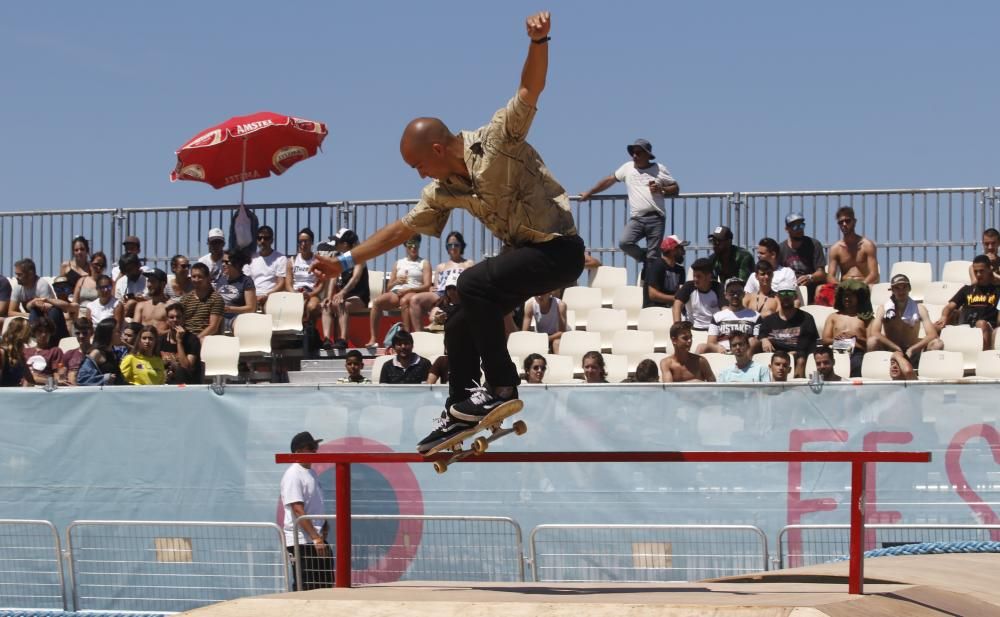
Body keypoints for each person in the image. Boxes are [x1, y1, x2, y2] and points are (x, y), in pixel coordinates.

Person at [312, 12, 584, 452]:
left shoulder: (497, 139)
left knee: (471, 281)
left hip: (558, 250)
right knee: (458, 313)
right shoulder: (443, 189)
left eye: (418, 164)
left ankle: (501, 388)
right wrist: (345, 261)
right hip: (525, 260)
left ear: (437, 149)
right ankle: (459, 406)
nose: (418, 173)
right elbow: (401, 229)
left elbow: (529, 90)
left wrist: (539, 42)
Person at [578, 138, 679, 277]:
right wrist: (589, 192)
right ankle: (647, 259)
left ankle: (650, 285)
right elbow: (609, 180)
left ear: (647, 155)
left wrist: (661, 189)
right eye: (633, 153)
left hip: (656, 217)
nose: (634, 156)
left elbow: (675, 188)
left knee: (653, 254)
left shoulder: (659, 169)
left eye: (638, 153)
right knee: (625, 242)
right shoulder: (628, 167)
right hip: (637, 217)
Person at [280, 431, 333, 590]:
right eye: (310, 447)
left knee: (325, 584)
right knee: (307, 586)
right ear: (298, 452)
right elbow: (298, 509)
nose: (315, 450)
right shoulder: (293, 475)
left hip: (315, 539)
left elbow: (314, 503)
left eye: (315, 446)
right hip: (302, 542)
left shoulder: (311, 472)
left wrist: (323, 525)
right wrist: (315, 538)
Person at [406, 231, 473, 335]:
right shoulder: (441, 266)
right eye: (450, 245)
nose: (453, 247)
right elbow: (437, 288)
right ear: (447, 247)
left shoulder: (468, 264)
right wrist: (431, 289)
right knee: (414, 300)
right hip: (442, 294)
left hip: (460, 293)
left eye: (456, 244)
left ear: (462, 246)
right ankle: (419, 334)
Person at [368, 235, 431, 345]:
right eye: (410, 244)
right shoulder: (398, 263)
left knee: (404, 301)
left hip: (413, 291)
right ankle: (373, 339)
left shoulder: (424, 263)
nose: (413, 247)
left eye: (416, 244)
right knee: (377, 302)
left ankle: (406, 336)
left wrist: (409, 289)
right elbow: (388, 287)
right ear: (405, 246)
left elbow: (427, 285)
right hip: (397, 292)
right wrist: (397, 281)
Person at [867, 273, 942, 364]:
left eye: (904, 287)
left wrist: (912, 349)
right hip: (890, 350)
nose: (901, 291)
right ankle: (876, 372)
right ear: (892, 290)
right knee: (872, 341)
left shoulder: (919, 308)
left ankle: (929, 373)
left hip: (913, 351)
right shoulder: (884, 309)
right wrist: (895, 347)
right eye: (897, 288)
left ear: (909, 288)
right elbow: (875, 332)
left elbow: (932, 334)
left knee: (937, 343)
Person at [757, 278, 820, 378]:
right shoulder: (769, 320)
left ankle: (797, 389)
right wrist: (764, 339)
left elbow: (808, 344)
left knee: (801, 359)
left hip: (797, 356)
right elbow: (761, 334)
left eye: (789, 293)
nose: (786, 297)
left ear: (795, 296)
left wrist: (789, 354)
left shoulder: (806, 318)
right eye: (782, 294)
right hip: (775, 357)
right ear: (777, 296)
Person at [936, 254, 1000, 350]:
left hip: (988, 327)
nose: (978, 274)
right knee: (935, 326)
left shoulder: (997, 290)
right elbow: (949, 307)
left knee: (981, 323)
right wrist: (944, 316)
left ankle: (984, 357)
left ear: (989, 270)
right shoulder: (967, 289)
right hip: (966, 327)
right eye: (976, 271)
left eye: (981, 271)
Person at [320, 228, 370, 350]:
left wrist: (342, 292)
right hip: (344, 296)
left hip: (359, 297)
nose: (335, 244)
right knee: (326, 305)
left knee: (343, 305)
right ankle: (327, 339)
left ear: (346, 244)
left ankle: (343, 339)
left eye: (338, 242)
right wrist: (329, 296)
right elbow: (333, 277)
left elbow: (355, 278)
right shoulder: (339, 256)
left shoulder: (359, 257)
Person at [820, 280, 873, 377]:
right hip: (836, 350)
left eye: (851, 296)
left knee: (857, 365)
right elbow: (825, 340)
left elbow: (871, 342)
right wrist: (837, 340)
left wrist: (855, 337)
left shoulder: (866, 318)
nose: (847, 299)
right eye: (845, 296)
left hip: (857, 353)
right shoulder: (833, 316)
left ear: (858, 298)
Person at [11, 258, 69, 341]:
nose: (16, 277)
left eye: (20, 275)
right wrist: (28, 315)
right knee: (33, 311)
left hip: (50, 321)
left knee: (35, 310)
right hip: (33, 319)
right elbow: (10, 312)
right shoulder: (18, 287)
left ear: (30, 274)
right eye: (16, 274)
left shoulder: (41, 285)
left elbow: (46, 311)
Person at [702, 277, 760, 354]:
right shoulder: (717, 317)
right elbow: (711, 342)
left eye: (739, 292)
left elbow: (756, 342)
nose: (735, 296)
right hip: (723, 354)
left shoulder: (755, 316)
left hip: (745, 354)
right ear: (725, 295)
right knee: (701, 347)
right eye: (731, 293)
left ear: (743, 294)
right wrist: (717, 348)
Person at [779, 213, 827, 303]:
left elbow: (821, 273)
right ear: (787, 229)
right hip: (790, 291)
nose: (799, 229)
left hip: (811, 289)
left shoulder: (814, 245)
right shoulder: (781, 249)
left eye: (801, 225)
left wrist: (810, 277)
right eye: (795, 227)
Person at [285, 228, 323, 342]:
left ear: (311, 242)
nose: (303, 244)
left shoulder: (317, 260)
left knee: (312, 307)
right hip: (295, 293)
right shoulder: (291, 260)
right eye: (300, 241)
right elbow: (288, 283)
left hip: (311, 292)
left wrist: (310, 294)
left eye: (306, 241)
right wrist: (295, 294)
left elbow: (321, 284)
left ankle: (310, 333)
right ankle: (293, 337)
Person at [827, 206, 880, 285]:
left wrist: (861, 286)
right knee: (820, 289)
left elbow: (874, 274)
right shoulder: (835, 249)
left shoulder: (867, 245)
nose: (844, 224)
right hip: (844, 287)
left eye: (847, 221)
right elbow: (830, 276)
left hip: (865, 286)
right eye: (841, 222)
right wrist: (840, 286)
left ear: (854, 221)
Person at [673, 258, 723, 331]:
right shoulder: (688, 287)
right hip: (693, 330)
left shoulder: (718, 288)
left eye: (699, 276)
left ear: (709, 277)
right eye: (694, 276)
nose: (695, 279)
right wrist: (677, 327)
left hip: (716, 330)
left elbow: (725, 309)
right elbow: (677, 304)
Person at [179, 263, 224, 342]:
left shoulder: (216, 299)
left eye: (200, 277)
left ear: (207, 278)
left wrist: (195, 340)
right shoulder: (185, 299)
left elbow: (213, 327)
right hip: (186, 337)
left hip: (205, 339)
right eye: (194, 276)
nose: (196, 280)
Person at [246, 225, 287, 309]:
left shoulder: (281, 258)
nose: (262, 241)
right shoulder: (250, 258)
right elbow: (246, 281)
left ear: (272, 240)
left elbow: (281, 283)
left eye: (266, 238)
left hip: (272, 297)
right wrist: (252, 297)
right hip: (252, 296)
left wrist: (267, 296)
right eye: (259, 238)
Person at [159, 303, 201, 385]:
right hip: (165, 383)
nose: (175, 320)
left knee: (180, 371)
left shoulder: (192, 340)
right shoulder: (161, 340)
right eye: (171, 317)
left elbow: (186, 367)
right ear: (167, 320)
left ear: (183, 319)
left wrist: (179, 341)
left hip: (187, 384)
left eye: (178, 317)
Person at [218, 250, 257, 333]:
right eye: (222, 261)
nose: (223, 264)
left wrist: (230, 309)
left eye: (226, 262)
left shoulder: (246, 281)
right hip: (220, 318)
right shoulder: (221, 280)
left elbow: (251, 308)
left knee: (239, 328)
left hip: (237, 318)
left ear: (237, 264)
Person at [77, 317, 123, 386]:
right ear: (109, 334)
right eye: (117, 331)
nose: (120, 334)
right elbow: (82, 379)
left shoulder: (115, 352)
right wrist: (104, 378)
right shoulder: (96, 353)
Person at [644, 235, 687, 309]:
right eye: (681, 248)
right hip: (654, 310)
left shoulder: (680, 270)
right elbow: (652, 295)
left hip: (672, 309)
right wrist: (676, 299)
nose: (684, 252)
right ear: (673, 250)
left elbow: (680, 293)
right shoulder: (657, 265)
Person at [23, 317, 67, 386]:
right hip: (23, 386)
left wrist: (36, 379)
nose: (43, 334)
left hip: (43, 386)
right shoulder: (25, 351)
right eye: (40, 331)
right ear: (35, 333)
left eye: (46, 332)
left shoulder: (55, 351)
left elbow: (57, 375)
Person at [133, 269, 170, 333]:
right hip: (143, 341)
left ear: (163, 284)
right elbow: (134, 329)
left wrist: (157, 334)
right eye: (148, 281)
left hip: (163, 341)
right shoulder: (141, 306)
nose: (149, 285)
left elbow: (176, 329)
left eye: (153, 281)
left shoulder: (170, 306)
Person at [114, 253, 148, 321]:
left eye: (130, 269)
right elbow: (117, 305)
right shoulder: (120, 283)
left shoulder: (149, 280)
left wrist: (143, 300)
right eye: (126, 270)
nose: (129, 272)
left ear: (138, 265)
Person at [0, 318, 32, 387]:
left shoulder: (20, 355)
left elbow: (30, 379)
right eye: (27, 329)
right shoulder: (2, 353)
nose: (29, 333)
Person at [63, 317, 94, 385]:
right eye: (77, 333)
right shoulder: (69, 354)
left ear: (91, 333)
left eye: (84, 333)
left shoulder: (97, 353)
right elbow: (62, 375)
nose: (81, 336)